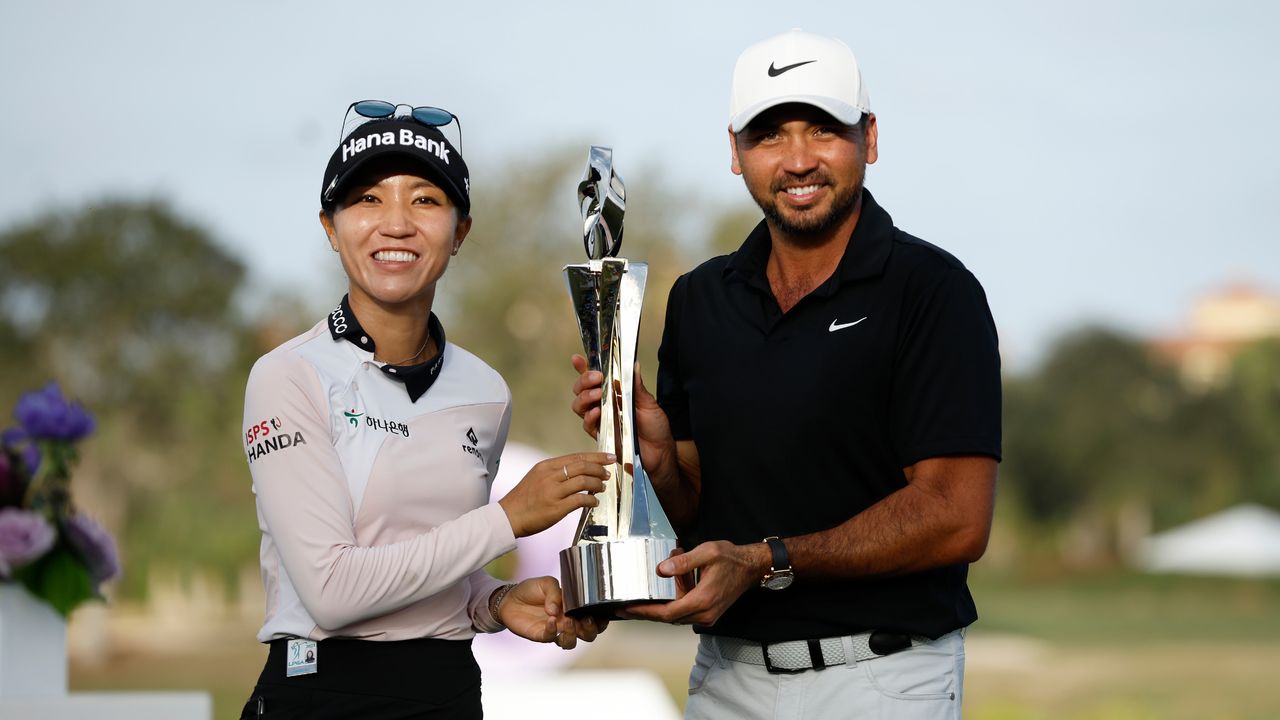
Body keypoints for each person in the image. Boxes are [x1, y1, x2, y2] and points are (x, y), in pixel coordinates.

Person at [572, 30, 1001, 719]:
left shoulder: (932, 291)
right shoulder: (700, 300)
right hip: (728, 677)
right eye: (770, 135)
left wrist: (768, 560)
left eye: (823, 131)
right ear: (736, 154)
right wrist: (656, 458)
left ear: (870, 137)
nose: (798, 159)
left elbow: (955, 517)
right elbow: (701, 510)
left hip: (881, 677)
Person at [241, 100, 611, 719]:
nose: (395, 224)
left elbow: (427, 559)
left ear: (460, 231)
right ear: (330, 228)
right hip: (319, 693)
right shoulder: (288, 376)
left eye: (425, 200)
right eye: (367, 200)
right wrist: (509, 519)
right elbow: (331, 592)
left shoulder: (486, 392)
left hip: (449, 693)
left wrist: (493, 601)